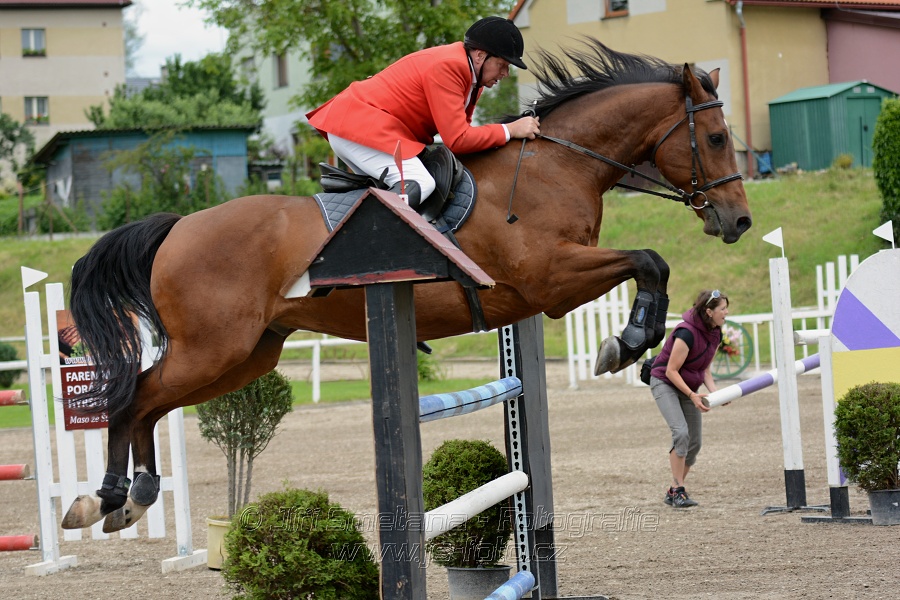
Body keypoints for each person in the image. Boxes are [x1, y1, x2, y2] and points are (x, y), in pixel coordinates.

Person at [305, 16, 541, 208]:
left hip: (370, 128)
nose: (505, 74)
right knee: (419, 182)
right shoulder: (451, 66)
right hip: (358, 125)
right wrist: (510, 129)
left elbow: (464, 139)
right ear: (480, 55)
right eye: (503, 65)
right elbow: (458, 140)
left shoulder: (473, 80)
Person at [648, 289, 729, 508]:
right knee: (681, 433)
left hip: (687, 387)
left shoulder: (716, 333)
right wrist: (693, 395)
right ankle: (678, 490)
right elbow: (671, 371)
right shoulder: (686, 333)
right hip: (665, 382)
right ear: (709, 311)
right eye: (722, 309)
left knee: (695, 443)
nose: (726, 313)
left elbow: (705, 370)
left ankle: (673, 490)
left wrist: (717, 393)